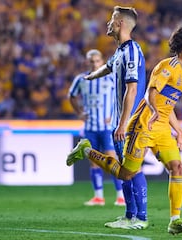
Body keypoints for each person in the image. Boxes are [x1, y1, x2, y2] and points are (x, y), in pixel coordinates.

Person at [67, 26, 182, 234]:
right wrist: (153, 110)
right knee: (126, 174)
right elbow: (151, 93)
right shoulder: (167, 67)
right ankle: (86, 149)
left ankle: (175, 220)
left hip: (160, 130)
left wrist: (179, 130)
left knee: (177, 167)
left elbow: (168, 106)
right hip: (142, 126)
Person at [72, 6, 148, 229]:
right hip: (120, 123)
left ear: (121, 24)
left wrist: (123, 123)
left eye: (112, 19)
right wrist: (90, 76)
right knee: (124, 170)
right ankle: (129, 215)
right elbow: (107, 68)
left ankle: (141, 218)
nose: (108, 23)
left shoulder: (133, 50)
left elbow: (132, 90)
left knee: (133, 170)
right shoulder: (120, 52)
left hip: (131, 123)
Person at [68, 49, 125, 207]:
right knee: (93, 161)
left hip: (107, 127)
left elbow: (122, 96)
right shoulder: (81, 79)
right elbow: (71, 96)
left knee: (112, 159)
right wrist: (79, 112)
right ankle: (98, 197)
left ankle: (121, 196)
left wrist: (115, 114)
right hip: (90, 127)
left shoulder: (111, 77)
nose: (94, 64)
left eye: (97, 61)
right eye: (91, 61)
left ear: (102, 61)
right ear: (87, 62)